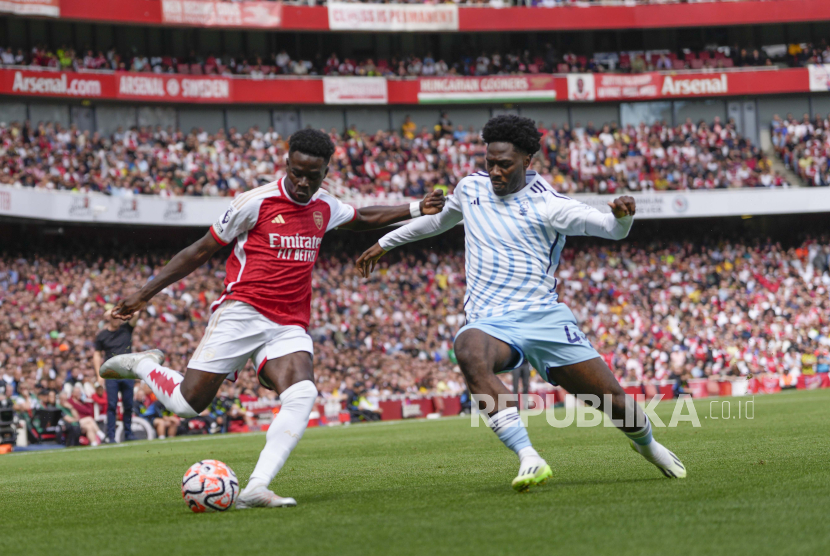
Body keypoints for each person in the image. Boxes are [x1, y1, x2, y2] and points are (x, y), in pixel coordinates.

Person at [100, 128, 445, 509]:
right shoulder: (255, 202)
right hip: (242, 311)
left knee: (303, 392)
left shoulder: (324, 206)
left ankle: (256, 487)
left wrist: (415, 209)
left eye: (312, 176)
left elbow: (362, 216)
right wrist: (143, 294)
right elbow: (200, 251)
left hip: (289, 322)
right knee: (186, 404)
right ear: (286, 162)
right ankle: (145, 364)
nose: (302, 182)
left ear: (325, 171)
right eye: (296, 172)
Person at [357, 115, 686, 492]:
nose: (495, 171)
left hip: (543, 318)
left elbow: (610, 229)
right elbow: (437, 223)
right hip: (491, 322)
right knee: (468, 349)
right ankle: (529, 456)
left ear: (528, 160)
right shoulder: (470, 189)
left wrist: (623, 218)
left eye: (504, 164)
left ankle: (649, 446)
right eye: (489, 163)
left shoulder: (550, 205)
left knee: (612, 402)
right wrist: (385, 243)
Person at [93, 307, 139, 443]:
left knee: (128, 405)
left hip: (127, 372)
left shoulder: (126, 329)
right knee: (112, 405)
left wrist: (118, 312)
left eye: (118, 317)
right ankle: (111, 436)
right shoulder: (102, 335)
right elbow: (97, 355)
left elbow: (136, 313)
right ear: (108, 318)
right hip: (112, 373)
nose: (116, 320)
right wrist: (98, 375)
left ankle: (128, 434)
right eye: (113, 317)